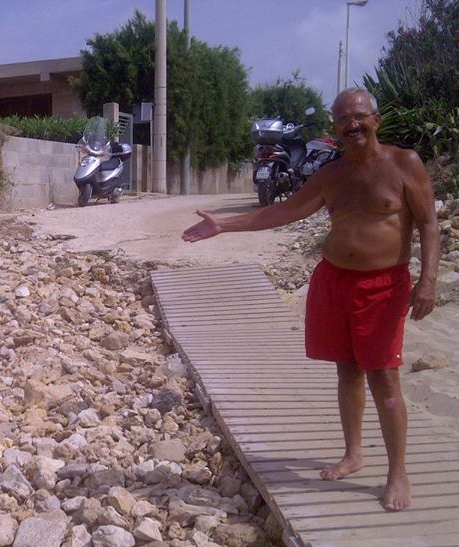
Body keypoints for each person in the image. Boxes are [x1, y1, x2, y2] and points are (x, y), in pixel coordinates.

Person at [181, 88, 440, 511]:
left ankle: (397, 473)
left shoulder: (403, 164)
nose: (352, 125)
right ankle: (353, 454)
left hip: (384, 286)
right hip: (334, 282)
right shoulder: (330, 175)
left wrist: (427, 281)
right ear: (334, 128)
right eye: (343, 119)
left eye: (359, 117)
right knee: (347, 371)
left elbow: (429, 224)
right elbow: (280, 212)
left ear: (375, 119)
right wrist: (225, 226)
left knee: (384, 377)